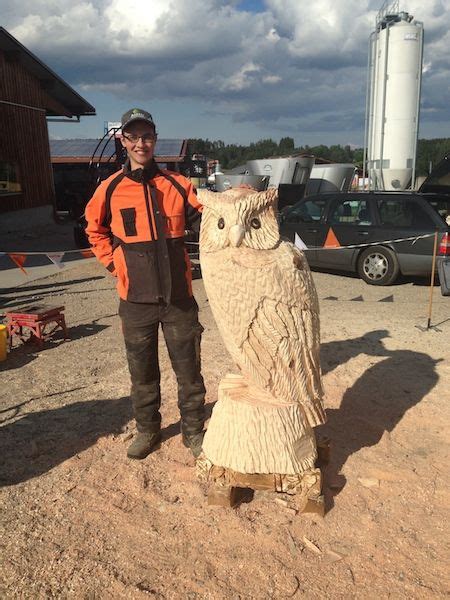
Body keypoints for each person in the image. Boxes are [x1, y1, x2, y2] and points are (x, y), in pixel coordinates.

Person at [85, 108, 206, 460]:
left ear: (155, 140)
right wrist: (114, 263)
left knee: (189, 370)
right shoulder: (109, 189)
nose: (141, 143)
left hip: (179, 299)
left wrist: (234, 201)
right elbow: (94, 230)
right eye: (133, 137)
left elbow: (208, 222)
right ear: (123, 141)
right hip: (134, 299)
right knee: (142, 373)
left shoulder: (178, 185)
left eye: (147, 137)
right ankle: (147, 430)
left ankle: (194, 432)